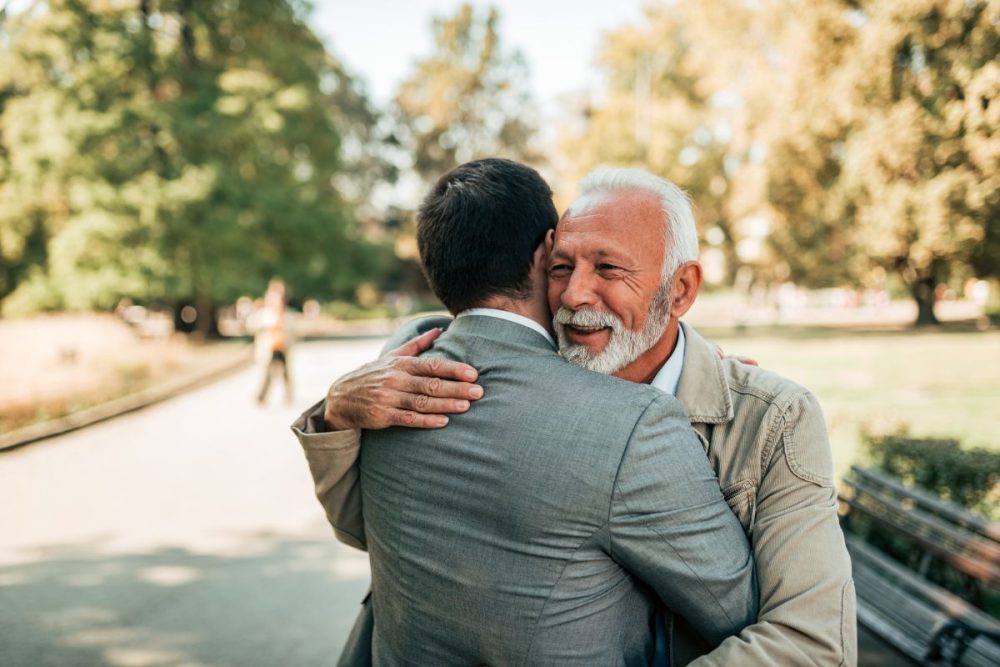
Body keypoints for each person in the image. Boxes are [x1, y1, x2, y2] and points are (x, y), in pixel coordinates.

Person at [298, 166, 858, 666]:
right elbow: (367, 525)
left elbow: (807, 641)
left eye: (609, 268)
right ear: (540, 263)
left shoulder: (771, 417)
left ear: (680, 289)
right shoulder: (421, 360)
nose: (576, 294)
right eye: (563, 266)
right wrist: (337, 406)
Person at [253, 278, 293, 405]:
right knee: (267, 372)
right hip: (269, 347)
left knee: (285, 372)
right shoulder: (265, 314)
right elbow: (253, 325)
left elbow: (292, 329)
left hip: (282, 346)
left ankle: (288, 394)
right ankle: (261, 396)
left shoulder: (286, 315)